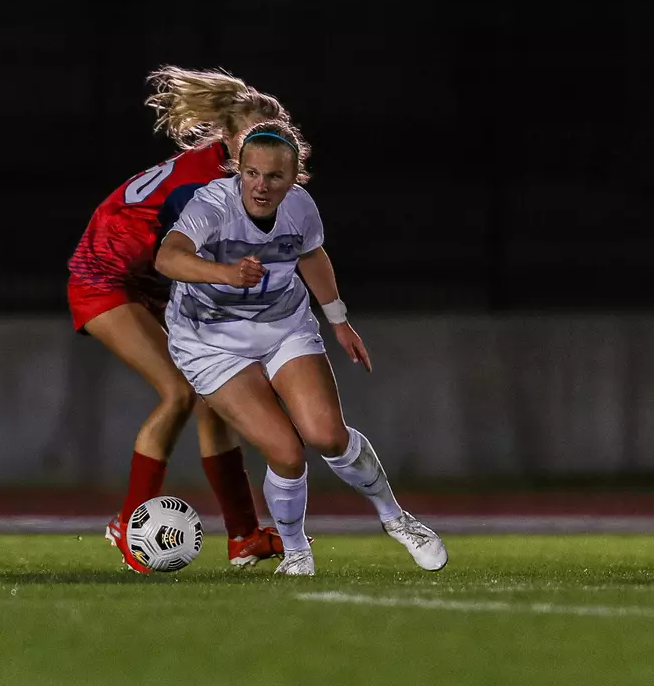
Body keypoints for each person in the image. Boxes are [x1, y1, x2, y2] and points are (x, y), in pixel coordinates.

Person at [154, 120, 447, 575]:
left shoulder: (301, 208)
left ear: (294, 179)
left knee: (328, 435)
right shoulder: (212, 203)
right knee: (287, 453)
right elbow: (167, 257)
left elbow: (310, 254)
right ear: (238, 169)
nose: (261, 185)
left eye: (274, 176)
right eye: (251, 173)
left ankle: (397, 520)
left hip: (283, 327)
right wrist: (227, 274)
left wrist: (339, 321)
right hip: (210, 342)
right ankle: (295, 553)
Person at [69, 68, 286, 573]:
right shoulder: (208, 187)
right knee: (181, 392)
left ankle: (243, 536)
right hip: (103, 278)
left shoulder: (231, 176)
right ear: (229, 139)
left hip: (147, 281)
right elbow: (191, 261)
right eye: (252, 142)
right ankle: (127, 523)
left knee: (213, 394)